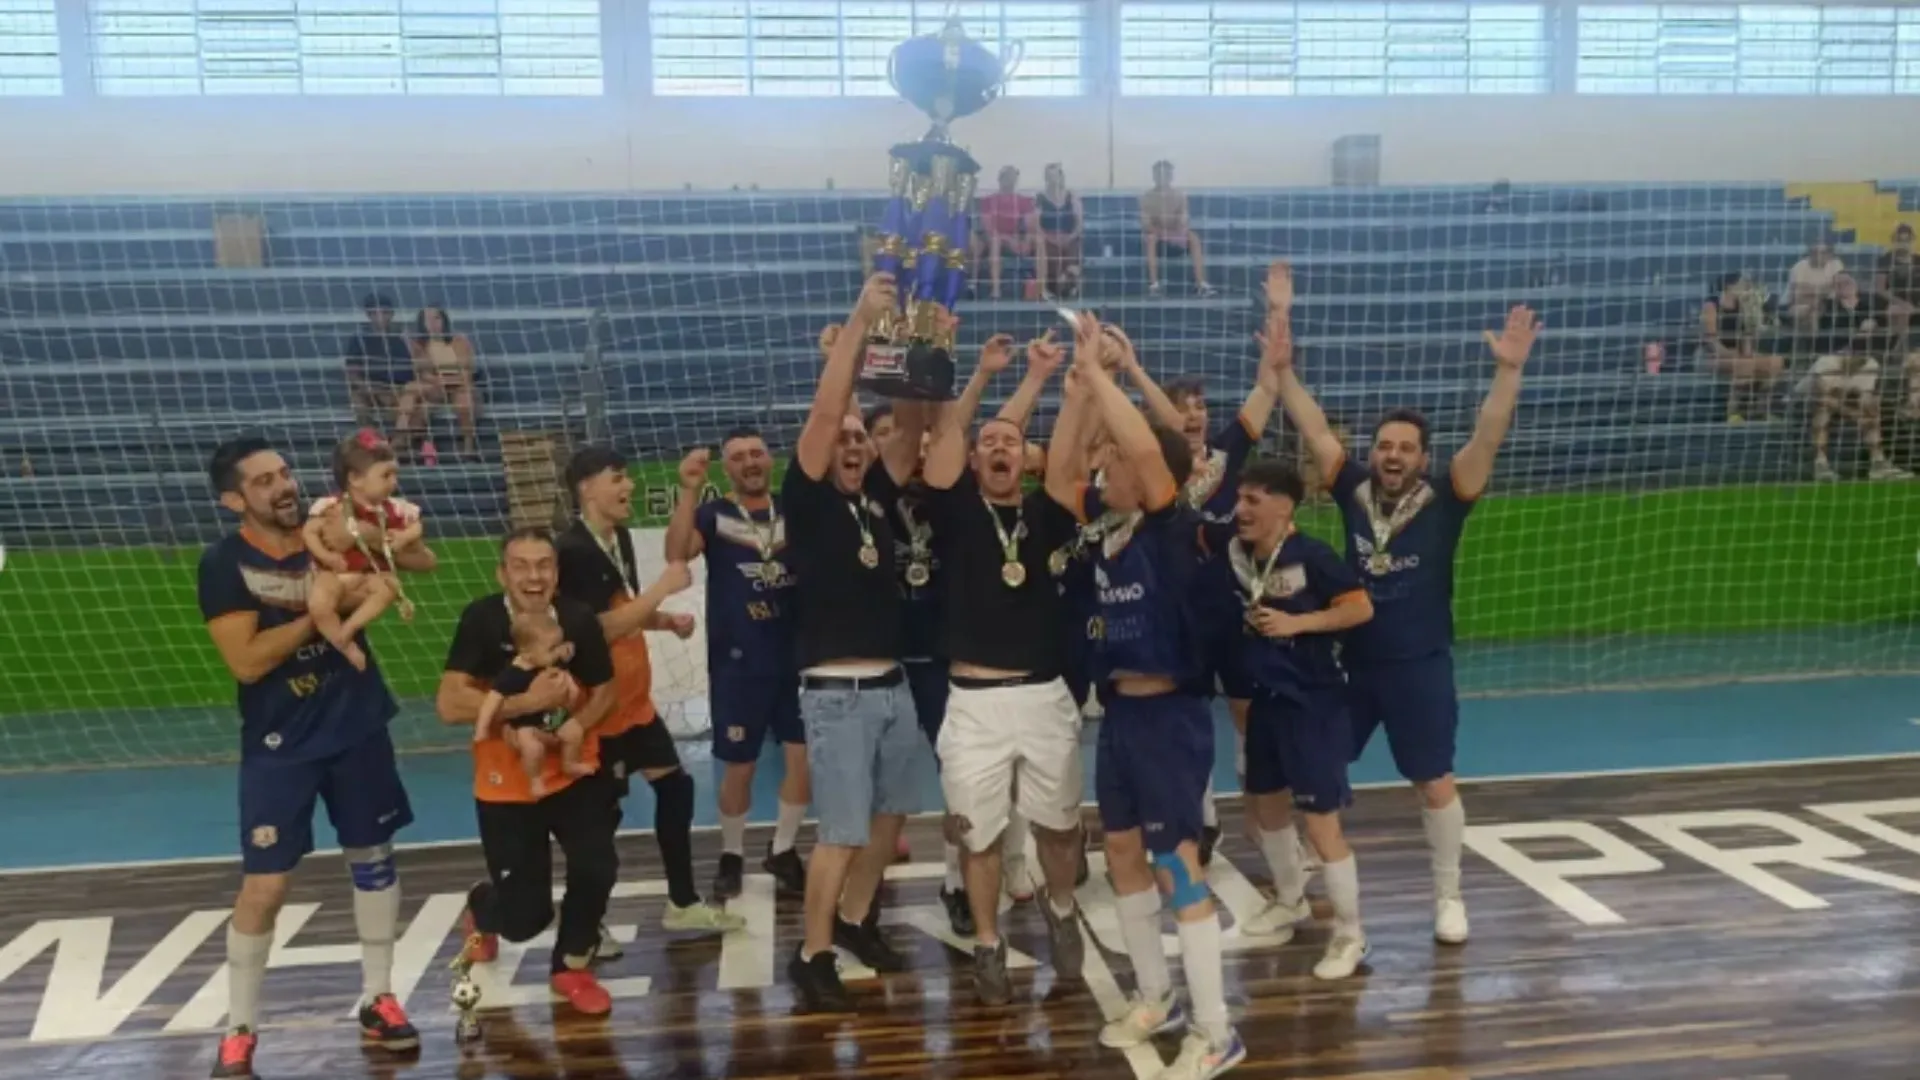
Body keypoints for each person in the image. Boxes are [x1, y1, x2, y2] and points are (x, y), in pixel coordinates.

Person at [1275, 304, 1541, 948]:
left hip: (1419, 664)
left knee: (1434, 781)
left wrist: (1508, 373)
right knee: (1315, 765)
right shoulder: (1355, 489)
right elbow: (1313, 429)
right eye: (1384, 446)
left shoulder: (1449, 494)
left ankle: (1448, 895)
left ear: (1424, 457)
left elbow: (1490, 434)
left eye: (1405, 448)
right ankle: (1306, 874)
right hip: (1353, 663)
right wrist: (1281, 374)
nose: (1393, 456)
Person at [1046, 313, 1243, 1080]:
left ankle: (1219, 1028)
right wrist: (1075, 392)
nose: (1103, 471)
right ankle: (1155, 997)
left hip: (1170, 716)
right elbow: (1062, 476)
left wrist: (1104, 374)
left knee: (1175, 862)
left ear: (1143, 470)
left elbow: (1140, 452)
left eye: (1114, 462)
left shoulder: (1169, 522)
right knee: (1122, 852)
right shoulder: (1108, 527)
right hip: (1121, 716)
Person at [197, 436, 422, 1078]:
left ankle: (379, 996)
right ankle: (239, 1029)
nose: (283, 485)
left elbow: (410, 564)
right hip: (280, 743)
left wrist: (398, 534)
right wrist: (320, 610)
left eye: (285, 472)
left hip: (356, 725)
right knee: (264, 886)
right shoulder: (223, 564)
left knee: (373, 859)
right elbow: (247, 660)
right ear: (233, 499)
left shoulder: (334, 529)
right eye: (265, 481)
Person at [921, 328, 1085, 1005]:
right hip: (974, 701)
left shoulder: (1049, 512)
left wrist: (1064, 383)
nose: (996, 446)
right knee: (978, 835)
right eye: (987, 442)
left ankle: (1064, 909)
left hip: (1045, 696)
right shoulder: (956, 511)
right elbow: (945, 440)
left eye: (1011, 441)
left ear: (1028, 458)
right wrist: (988, 378)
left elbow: (1071, 456)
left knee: (1059, 826)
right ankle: (988, 940)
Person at [783, 272, 932, 1013]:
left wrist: (923, 346)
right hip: (836, 695)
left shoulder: (877, 495)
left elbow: (907, 428)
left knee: (891, 815)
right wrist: (859, 323)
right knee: (839, 833)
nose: (850, 444)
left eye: (856, 440)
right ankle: (811, 956)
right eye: (840, 439)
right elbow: (827, 407)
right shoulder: (807, 500)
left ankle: (853, 923)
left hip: (893, 687)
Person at [1126, 261, 1292, 860]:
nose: (1193, 414)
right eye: (1182, 407)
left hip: (1234, 611)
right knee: (1186, 719)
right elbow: (1157, 427)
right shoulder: (1156, 476)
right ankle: (1201, 815)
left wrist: (1278, 313)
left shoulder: (1227, 454)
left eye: (1198, 404)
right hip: (1175, 620)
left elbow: (1268, 389)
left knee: (1249, 716)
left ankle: (1262, 806)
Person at [557, 446, 744, 939]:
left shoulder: (614, 538)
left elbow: (627, 612)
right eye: (617, 477)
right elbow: (593, 630)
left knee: (676, 787)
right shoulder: (572, 552)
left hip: (634, 704)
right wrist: (664, 589)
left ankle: (681, 901)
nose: (629, 487)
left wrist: (663, 620)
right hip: (598, 710)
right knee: (598, 823)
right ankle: (583, 926)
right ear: (586, 488)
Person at [436, 527, 624, 1015]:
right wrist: (527, 703)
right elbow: (450, 702)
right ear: (503, 574)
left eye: (543, 565)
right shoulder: (481, 620)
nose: (533, 576)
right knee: (524, 919)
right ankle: (484, 905)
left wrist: (576, 726)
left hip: (571, 771)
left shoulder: (579, 621)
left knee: (597, 865)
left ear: (557, 576)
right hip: (507, 786)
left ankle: (571, 967)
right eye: (521, 565)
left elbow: (605, 690)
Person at [1199, 457, 1374, 981]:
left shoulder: (1312, 556)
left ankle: (1350, 932)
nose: (1241, 510)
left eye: (1253, 501)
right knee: (1268, 808)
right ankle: (1292, 899)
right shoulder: (1235, 554)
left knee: (1321, 823)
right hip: (1264, 703)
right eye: (1240, 499)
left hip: (1313, 703)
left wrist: (1300, 621)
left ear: (1284, 506)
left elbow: (1360, 608)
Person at [662, 427, 809, 900]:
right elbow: (676, 553)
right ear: (728, 469)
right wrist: (688, 488)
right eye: (739, 457)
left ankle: (783, 849)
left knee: (802, 759)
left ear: (771, 460)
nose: (750, 462)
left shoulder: (796, 509)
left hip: (799, 658)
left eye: (757, 453)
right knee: (739, 767)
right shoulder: (714, 514)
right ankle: (731, 853)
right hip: (738, 663)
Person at [302, 430, 428, 671]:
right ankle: (345, 646)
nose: (394, 482)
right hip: (334, 573)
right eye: (386, 475)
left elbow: (417, 527)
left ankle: (349, 629)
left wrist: (403, 537)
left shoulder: (396, 508)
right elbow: (309, 532)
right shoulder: (331, 506)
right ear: (355, 478)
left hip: (371, 574)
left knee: (389, 586)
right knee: (319, 603)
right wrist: (327, 556)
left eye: (395, 475)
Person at [474, 608, 591, 795]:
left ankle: (570, 763)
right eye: (552, 648)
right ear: (527, 653)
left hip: (549, 716)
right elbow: (492, 701)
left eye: (558, 645)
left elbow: (564, 674)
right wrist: (482, 729)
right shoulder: (511, 675)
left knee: (574, 732)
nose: (557, 652)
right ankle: (535, 780)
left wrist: (572, 690)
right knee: (532, 748)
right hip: (525, 723)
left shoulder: (547, 661)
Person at [1809, 274, 1910, 481]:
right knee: (1824, 404)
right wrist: (1856, 336)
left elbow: (1902, 316)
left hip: (1862, 362)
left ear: (1856, 284)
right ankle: (1820, 464)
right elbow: (1817, 342)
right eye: (1837, 283)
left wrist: (1883, 328)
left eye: (1847, 281)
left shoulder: (1871, 304)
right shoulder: (1827, 309)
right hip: (1833, 361)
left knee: (1869, 402)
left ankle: (1878, 463)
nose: (1843, 286)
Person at [395, 304, 479, 460]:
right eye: (427, 320)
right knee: (411, 389)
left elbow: (467, 373)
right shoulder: (420, 345)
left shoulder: (459, 340)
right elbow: (424, 373)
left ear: (444, 320)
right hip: (435, 386)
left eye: (436, 318)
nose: (432, 323)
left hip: (458, 385)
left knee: (464, 399)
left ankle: (469, 446)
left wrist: (446, 380)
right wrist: (438, 381)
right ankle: (401, 434)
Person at [1700, 272, 1783, 423]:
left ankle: (1762, 409)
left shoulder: (1743, 305)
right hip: (1712, 354)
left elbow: (1747, 337)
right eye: (1742, 283)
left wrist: (1755, 320)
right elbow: (1710, 339)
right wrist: (1732, 354)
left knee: (1776, 362)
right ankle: (1733, 412)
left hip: (1738, 353)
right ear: (1729, 286)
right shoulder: (1712, 304)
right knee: (1744, 363)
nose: (1746, 286)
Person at [1139, 160, 1213, 297]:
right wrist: (1162, 231)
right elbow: (1146, 224)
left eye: (1166, 174)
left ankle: (1201, 284)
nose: (1162, 178)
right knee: (1150, 239)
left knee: (1194, 238)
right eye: (1159, 174)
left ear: (1171, 177)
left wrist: (1176, 231)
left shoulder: (1179, 196)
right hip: (1158, 239)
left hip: (1176, 237)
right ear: (1154, 177)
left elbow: (1183, 220)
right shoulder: (1146, 198)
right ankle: (1154, 285)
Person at [342, 293, 414, 431]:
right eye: (375, 313)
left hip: (398, 388)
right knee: (359, 404)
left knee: (406, 405)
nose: (380, 317)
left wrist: (410, 344)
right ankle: (370, 442)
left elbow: (415, 368)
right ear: (369, 315)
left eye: (385, 313)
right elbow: (351, 372)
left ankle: (396, 442)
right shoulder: (359, 338)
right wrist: (372, 390)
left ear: (391, 314)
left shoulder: (402, 337)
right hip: (369, 387)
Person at [978, 166, 1038, 299]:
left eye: (1013, 178)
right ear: (1000, 180)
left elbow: (1030, 225)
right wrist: (1006, 239)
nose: (1010, 181)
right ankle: (996, 289)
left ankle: (1041, 287)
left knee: (1039, 240)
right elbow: (988, 227)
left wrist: (1025, 240)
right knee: (995, 241)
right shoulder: (988, 201)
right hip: (996, 239)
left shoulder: (1024, 201)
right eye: (1007, 178)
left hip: (1017, 239)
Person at [1035, 163, 1084, 301]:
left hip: (1069, 236)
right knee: (1048, 251)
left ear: (1061, 177)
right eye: (1049, 176)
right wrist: (1049, 238)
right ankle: (1052, 287)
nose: (1053, 179)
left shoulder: (1072, 196)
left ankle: (1072, 284)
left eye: (1055, 175)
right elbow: (1036, 224)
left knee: (1075, 248)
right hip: (1048, 237)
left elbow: (1080, 223)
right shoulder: (1040, 198)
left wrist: (1070, 236)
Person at [1787, 240, 1846, 346]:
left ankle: (1810, 347)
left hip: (1828, 304)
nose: (1818, 256)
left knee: (1817, 311)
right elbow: (1796, 296)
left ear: (1829, 254)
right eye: (1814, 252)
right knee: (1811, 313)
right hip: (1799, 305)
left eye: (1823, 252)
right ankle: (1812, 347)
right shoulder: (1799, 267)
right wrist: (1824, 289)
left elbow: (1839, 288)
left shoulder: (1836, 264)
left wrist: (1810, 290)